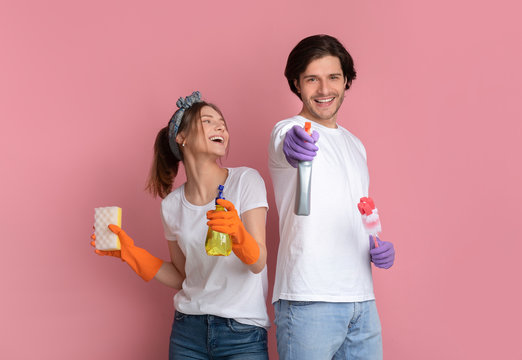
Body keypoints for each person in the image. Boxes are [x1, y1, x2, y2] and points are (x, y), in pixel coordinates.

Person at [91, 91, 270, 360]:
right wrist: (131, 254)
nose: (221, 126)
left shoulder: (245, 181)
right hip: (188, 333)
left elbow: (258, 263)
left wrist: (237, 233)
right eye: (208, 121)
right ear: (181, 137)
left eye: (222, 122)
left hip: (242, 333)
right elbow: (182, 275)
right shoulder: (172, 205)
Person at [268, 35, 396, 360]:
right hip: (308, 297)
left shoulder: (356, 146)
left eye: (333, 77)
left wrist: (375, 243)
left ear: (346, 80)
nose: (324, 90)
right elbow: (287, 144)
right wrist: (294, 145)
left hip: (362, 301)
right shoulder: (288, 129)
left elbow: (358, 209)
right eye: (312, 79)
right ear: (297, 83)